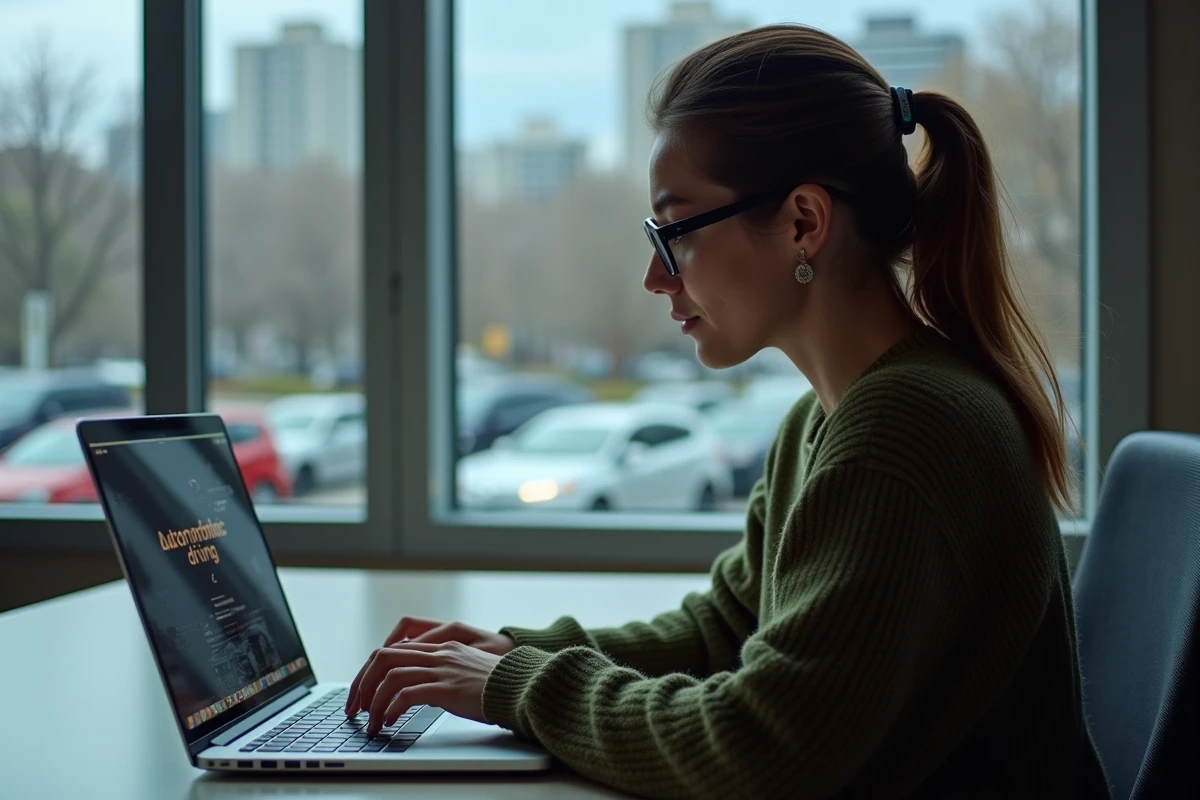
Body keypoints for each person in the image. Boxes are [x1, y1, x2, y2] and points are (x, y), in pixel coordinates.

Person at [344, 23, 1111, 799]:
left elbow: (762, 748)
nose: (654, 276)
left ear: (804, 222)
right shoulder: (821, 424)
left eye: (673, 231)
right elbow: (725, 632)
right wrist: (513, 652)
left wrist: (516, 685)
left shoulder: (907, 431)